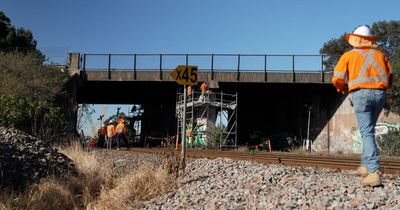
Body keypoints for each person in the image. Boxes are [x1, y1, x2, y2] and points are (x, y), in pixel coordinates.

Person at [332, 25, 393, 187]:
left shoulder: (348, 56)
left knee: (366, 132)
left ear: (355, 40)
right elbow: (390, 77)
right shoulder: (381, 55)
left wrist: (344, 88)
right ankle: (365, 166)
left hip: (361, 95)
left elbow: (337, 78)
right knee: (369, 130)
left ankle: (373, 172)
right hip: (380, 95)